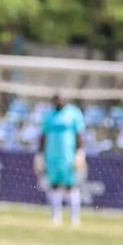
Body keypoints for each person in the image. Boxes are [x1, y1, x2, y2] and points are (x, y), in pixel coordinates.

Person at [34, 94, 86, 227]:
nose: (59, 102)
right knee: (54, 185)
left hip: (69, 155)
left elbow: (79, 134)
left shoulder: (73, 114)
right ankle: (56, 217)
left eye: (61, 100)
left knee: (71, 186)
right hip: (52, 156)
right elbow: (43, 136)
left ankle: (75, 218)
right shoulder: (49, 115)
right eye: (57, 100)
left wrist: (80, 152)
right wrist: (39, 154)